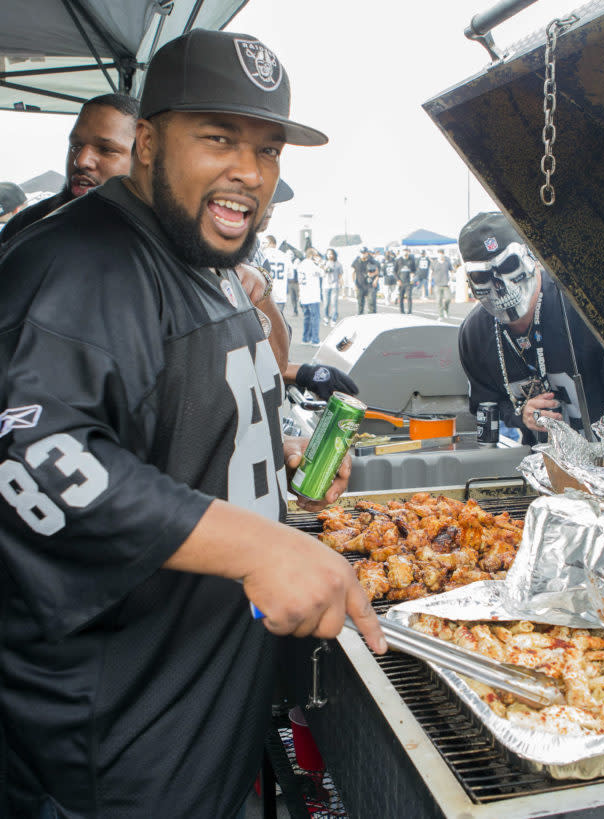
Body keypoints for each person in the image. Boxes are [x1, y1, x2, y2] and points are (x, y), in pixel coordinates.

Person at [0, 29, 385, 818]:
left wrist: (264, 450)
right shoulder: (80, 264)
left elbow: (162, 414)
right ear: (146, 141)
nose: (249, 171)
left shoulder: (199, 254)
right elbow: (33, 453)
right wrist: (260, 542)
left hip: (206, 726)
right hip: (117, 759)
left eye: (269, 149)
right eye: (218, 138)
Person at [457, 212, 604, 446]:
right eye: (482, 276)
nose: (500, 287)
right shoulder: (475, 335)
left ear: (530, 255)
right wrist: (520, 415)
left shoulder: (585, 307)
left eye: (509, 265)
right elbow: (486, 405)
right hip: (542, 464)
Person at [0, 93, 138, 247]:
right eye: (75, 146)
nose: (80, 160)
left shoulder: (158, 237)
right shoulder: (27, 225)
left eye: (105, 149)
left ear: (143, 157)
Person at [298, 246, 324, 344]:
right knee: (315, 317)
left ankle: (305, 338)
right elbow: (322, 273)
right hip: (313, 295)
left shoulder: (301, 264)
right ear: (312, 256)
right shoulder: (312, 265)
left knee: (307, 317)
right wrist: (320, 263)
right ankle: (315, 339)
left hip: (304, 294)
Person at [433, 247, 454, 319]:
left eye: (442, 254)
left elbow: (451, 271)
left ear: (443, 254)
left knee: (448, 298)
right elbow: (431, 272)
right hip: (437, 284)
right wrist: (430, 281)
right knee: (439, 300)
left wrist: (450, 280)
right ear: (437, 255)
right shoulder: (434, 262)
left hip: (446, 284)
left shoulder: (447, 262)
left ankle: (446, 309)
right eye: (439, 254)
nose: (440, 255)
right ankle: (440, 315)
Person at [396, 246, 417, 314]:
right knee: (401, 297)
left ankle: (409, 311)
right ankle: (402, 311)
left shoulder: (411, 260)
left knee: (409, 297)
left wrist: (413, 274)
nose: (405, 252)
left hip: (408, 281)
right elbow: (394, 271)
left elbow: (414, 269)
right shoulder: (399, 260)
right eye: (404, 250)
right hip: (401, 281)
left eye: (406, 250)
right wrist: (398, 280)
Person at [323, 247, 341, 322]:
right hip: (326, 285)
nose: (330, 255)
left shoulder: (338, 264)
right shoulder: (324, 263)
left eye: (331, 254)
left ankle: (334, 317)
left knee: (334, 302)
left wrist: (341, 284)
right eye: (328, 254)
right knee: (326, 302)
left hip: (334, 285)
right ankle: (326, 316)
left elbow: (340, 275)